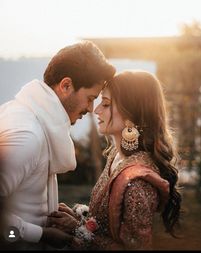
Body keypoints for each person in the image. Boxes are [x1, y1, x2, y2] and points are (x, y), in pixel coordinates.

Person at [47, 70, 182, 250]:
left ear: (131, 114)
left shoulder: (138, 182)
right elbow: (110, 223)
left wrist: (77, 229)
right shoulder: (117, 156)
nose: (95, 109)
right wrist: (79, 217)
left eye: (106, 103)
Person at [0, 40, 115, 250]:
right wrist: (40, 234)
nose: (90, 109)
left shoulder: (35, 120)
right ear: (66, 86)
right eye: (90, 98)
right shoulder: (27, 135)